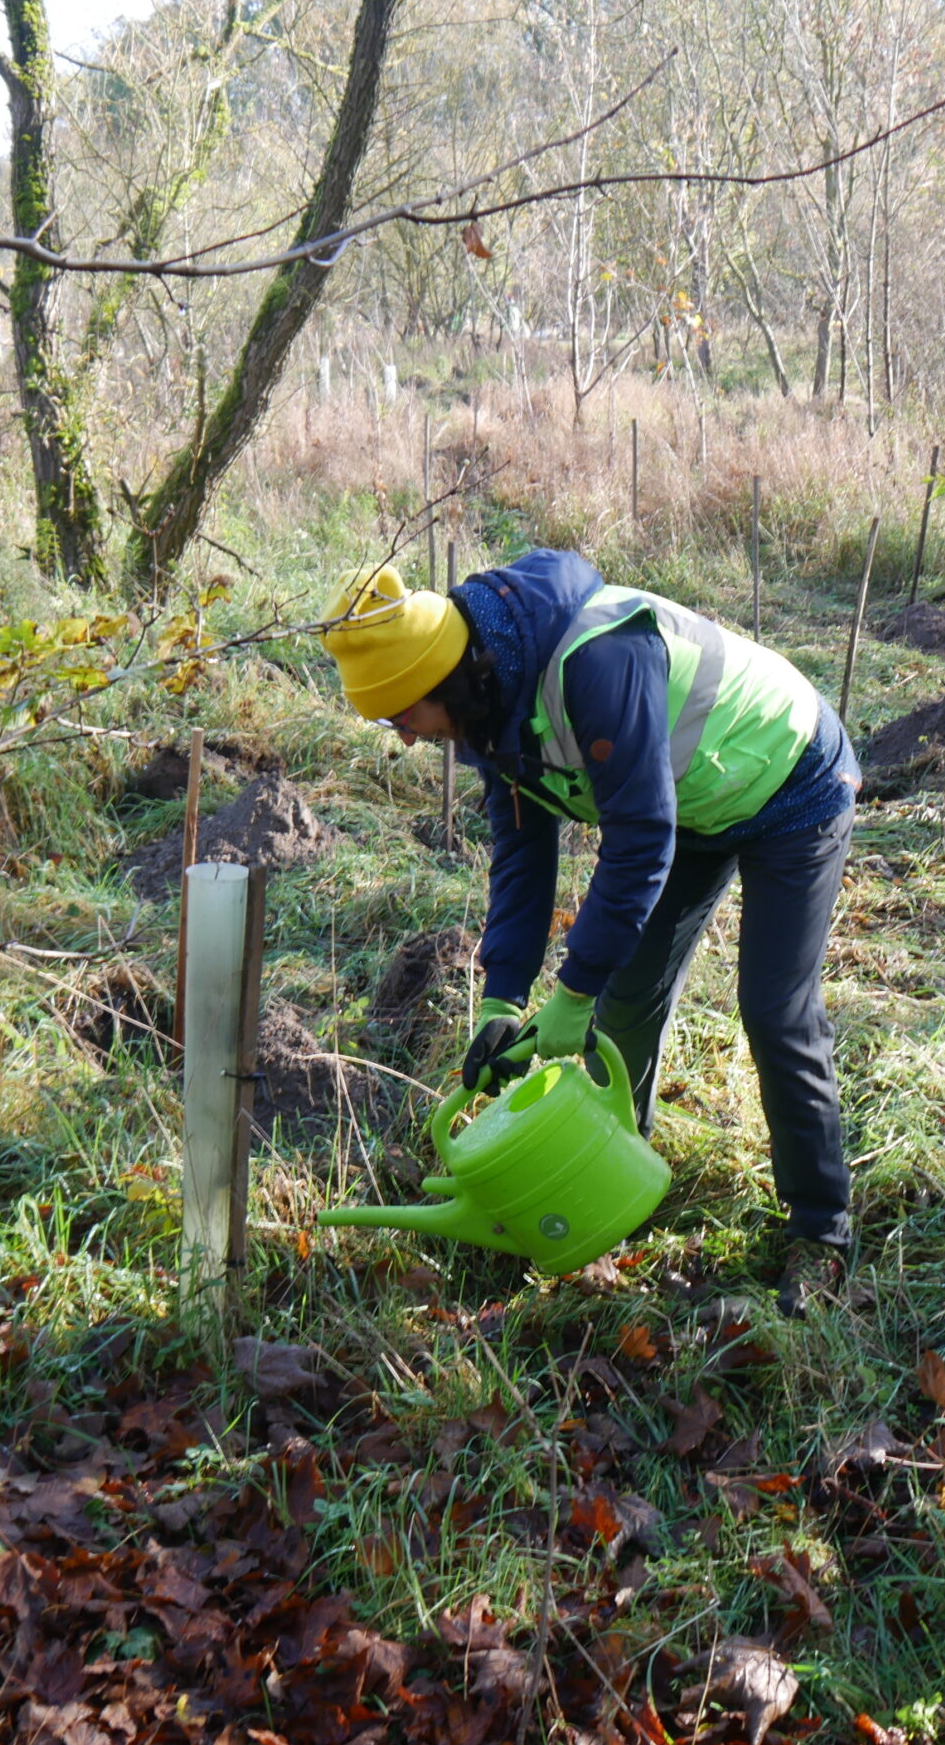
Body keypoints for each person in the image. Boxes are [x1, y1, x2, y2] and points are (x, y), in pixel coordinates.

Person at [319, 548, 861, 1313]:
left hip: (790, 776)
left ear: (445, 681)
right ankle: (616, 1180)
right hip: (695, 801)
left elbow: (640, 838)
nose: (406, 737)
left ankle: (822, 1238)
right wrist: (502, 996)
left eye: (404, 714)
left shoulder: (596, 662)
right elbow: (522, 853)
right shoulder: (491, 711)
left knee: (776, 1010)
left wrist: (571, 989)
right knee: (629, 995)